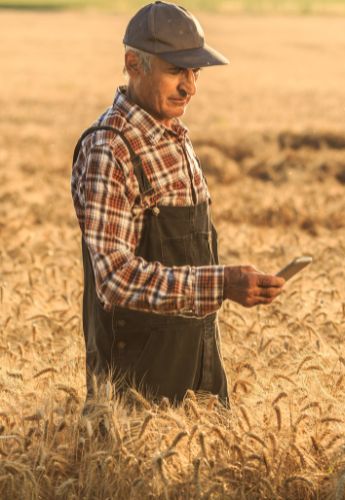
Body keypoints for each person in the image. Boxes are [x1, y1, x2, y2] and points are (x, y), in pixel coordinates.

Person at [70, 1, 284, 407]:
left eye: (194, 71)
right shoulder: (109, 149)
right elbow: (114, 278)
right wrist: (222, 284)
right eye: (175, 71)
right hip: (135, 391)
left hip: (198, 370)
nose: (190, 87)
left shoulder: (175, 136)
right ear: (134, 64)